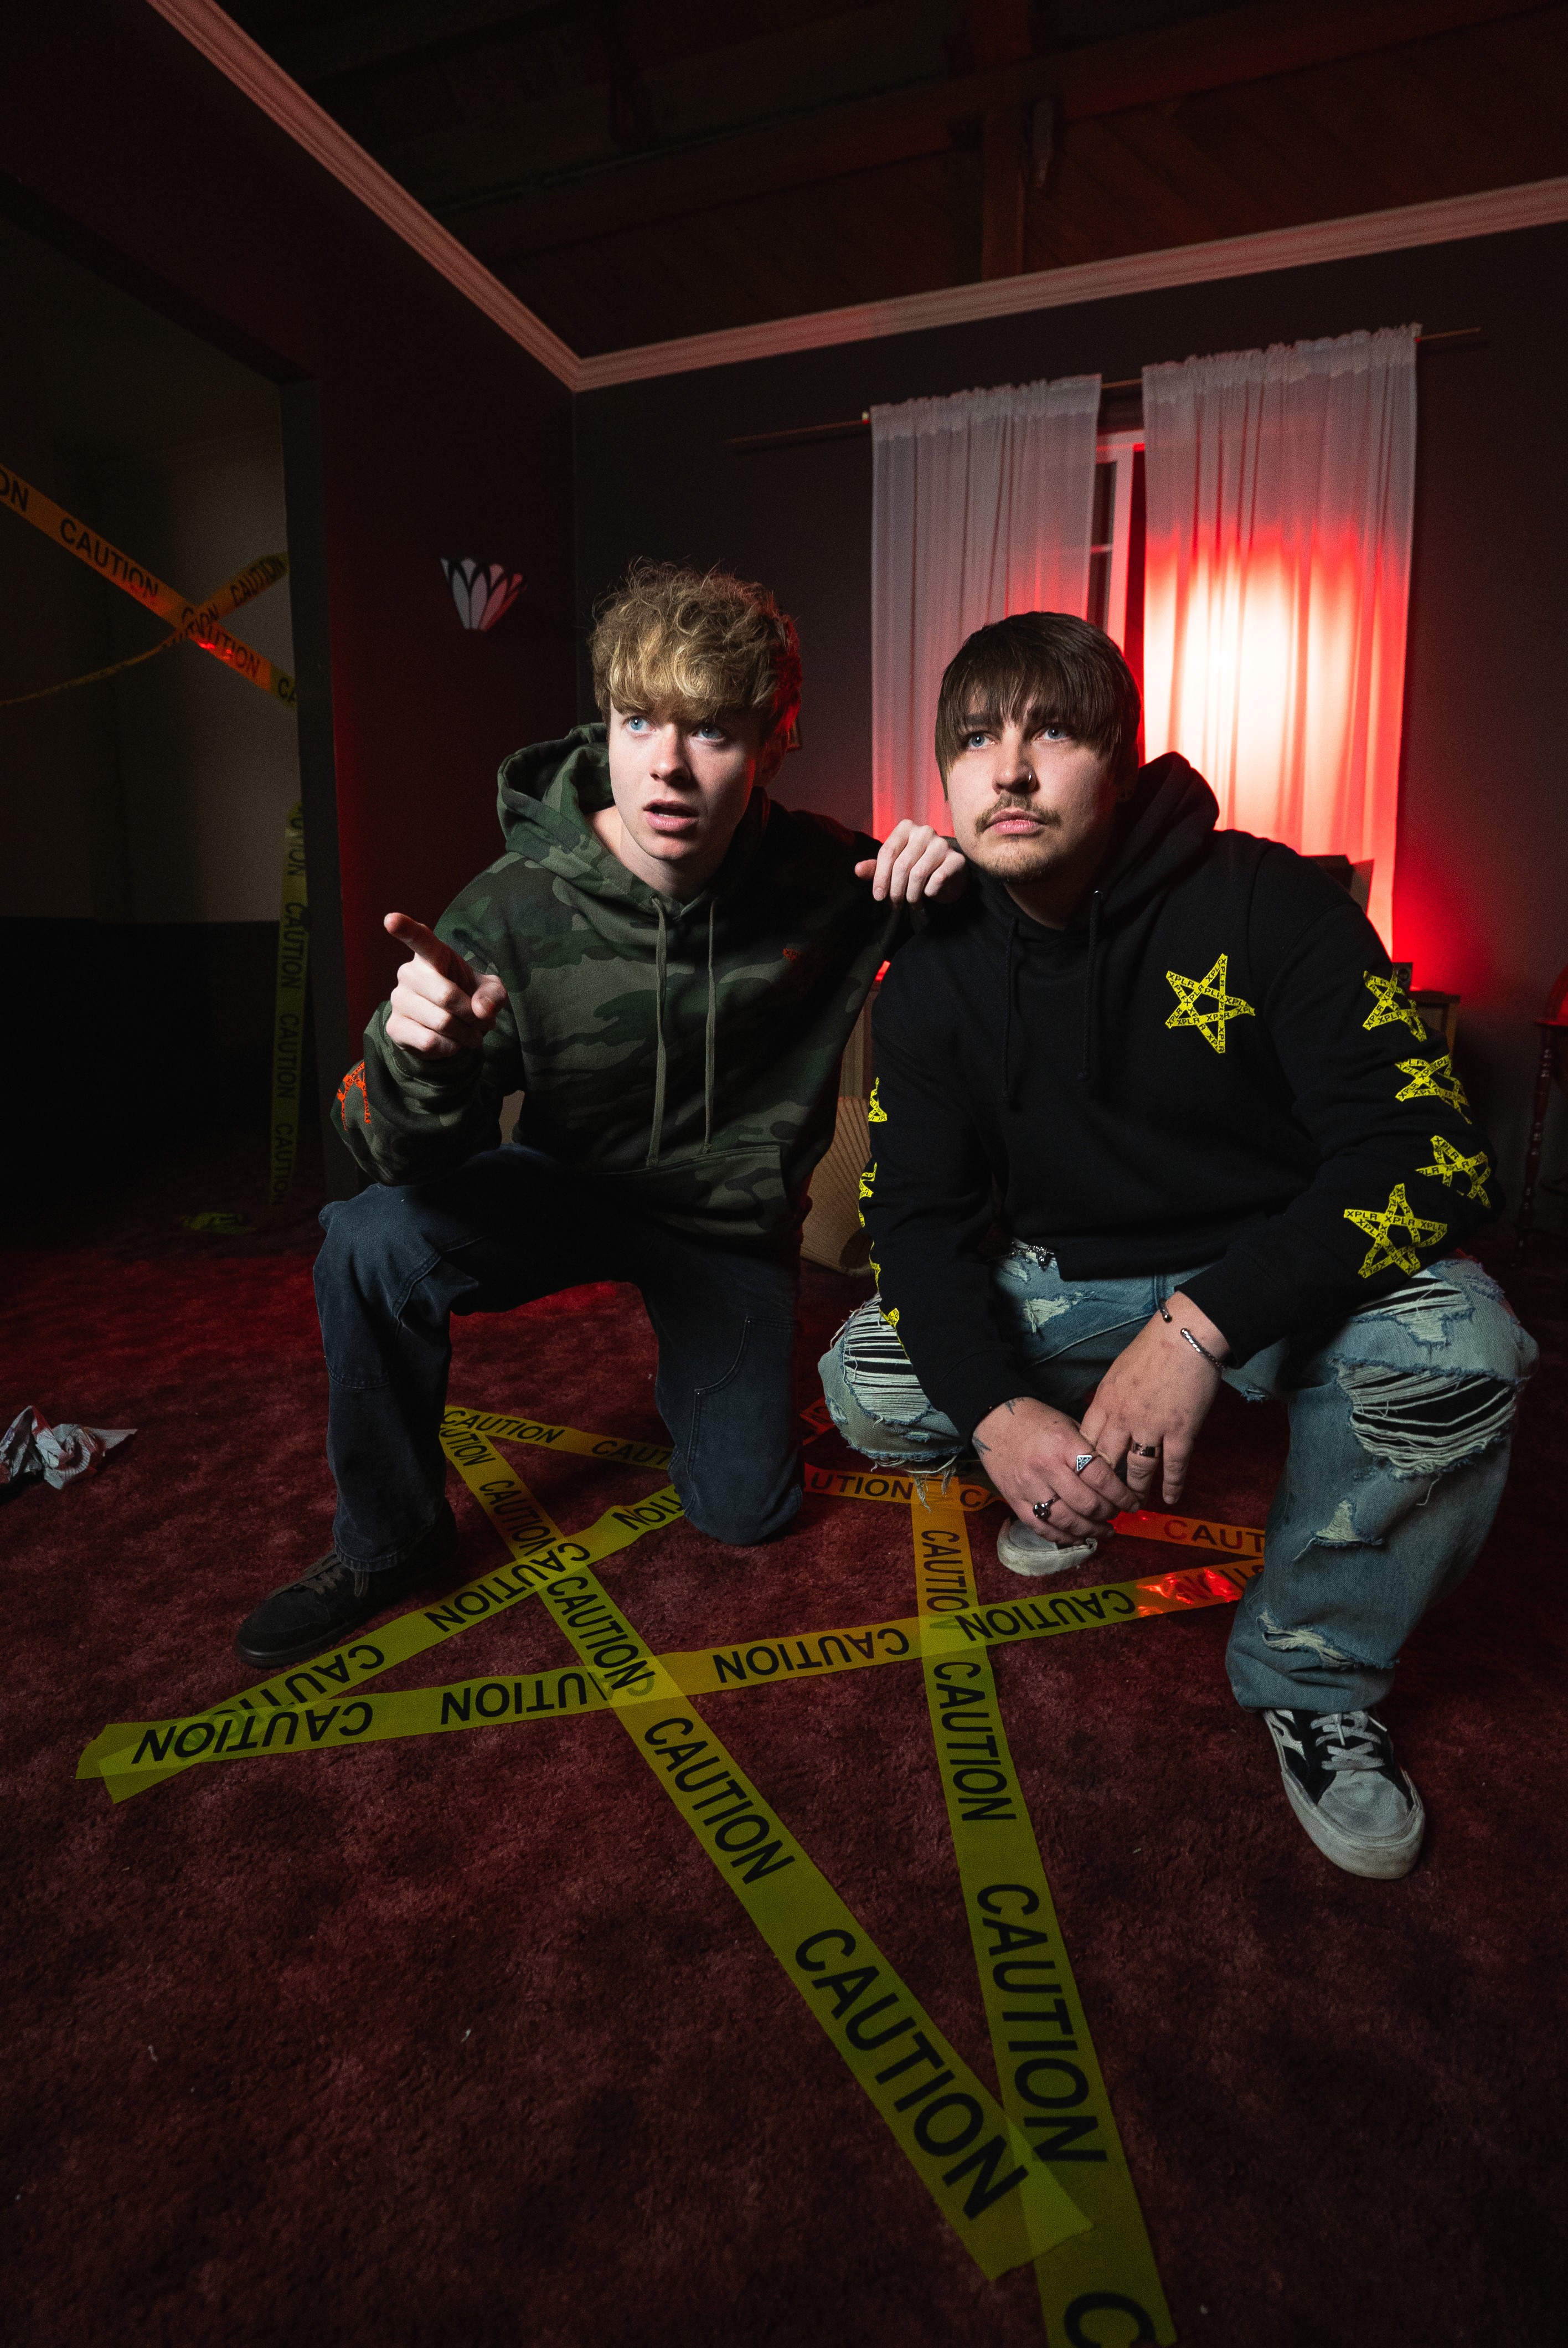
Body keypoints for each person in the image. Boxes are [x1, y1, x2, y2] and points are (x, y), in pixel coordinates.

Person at [821, 611, 1535, 1880]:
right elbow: (914, 1224)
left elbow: (1435, 1153)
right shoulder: (929, 967)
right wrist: (998, 1416)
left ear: (1123, 758)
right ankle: (1066, 1472)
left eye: (1053, 732)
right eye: (975, 739)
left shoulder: (1267, 901)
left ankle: (1313, 1668)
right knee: (872, 1378)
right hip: (1065, 1278)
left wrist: (1200, 1326)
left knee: (1465, 1352)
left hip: (1274, 1274)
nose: (1010, 768)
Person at [237, 562, 963, 1671]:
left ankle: (705, 1387)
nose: (666, 764)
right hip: (563, 1186)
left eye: (710, 730)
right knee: (368, 1240)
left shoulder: (834, 879)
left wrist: (960, 881)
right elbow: (398, 1155)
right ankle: (390, 1537)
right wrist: (420, 1058)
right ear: (607, 726)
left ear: (774, 741)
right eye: (638, 721)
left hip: (726, 1230)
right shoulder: (513, 903)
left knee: (747, 1512)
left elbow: (1014, 961)